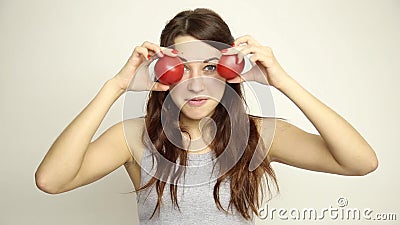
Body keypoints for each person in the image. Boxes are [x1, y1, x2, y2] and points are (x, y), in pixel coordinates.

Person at [35, 8, 378, 225]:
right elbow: (51, 181)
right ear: (163, 74)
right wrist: (115, 86)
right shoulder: (134, 138)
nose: (197, 84)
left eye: (211, 67)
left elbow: (361, 162)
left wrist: (282, 81)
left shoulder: (258, 134)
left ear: (231, 71)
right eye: (182, 69)